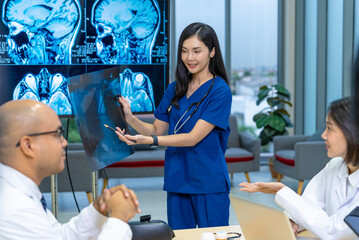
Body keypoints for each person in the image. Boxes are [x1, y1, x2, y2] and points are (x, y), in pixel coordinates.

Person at [115, 22, 232, 230]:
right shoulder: (174, 88)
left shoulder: (220, 91)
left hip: (208, 182)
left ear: (212, 52)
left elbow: (193, 137)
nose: (190, 58)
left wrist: (151, 141)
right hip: (177, 179)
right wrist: (130, 118)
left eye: (197, 51)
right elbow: (156, 130)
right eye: (185, 51)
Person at [0, 99, 141, 239]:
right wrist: (118, 220)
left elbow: (58, 236)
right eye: (57, 134)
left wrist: (98, 210)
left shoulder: (21, 194)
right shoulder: (15, 208)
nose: (65, 142)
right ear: (28, 145)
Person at [239, 97, 359, 240]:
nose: (323, 135)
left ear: (352, 133)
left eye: (329, 129)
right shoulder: (334, 166)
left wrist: (283, 191)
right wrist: (294, 223)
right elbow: (310, 204)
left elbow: (334, 231)